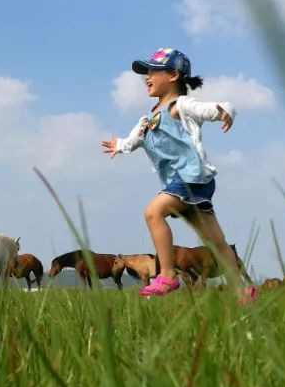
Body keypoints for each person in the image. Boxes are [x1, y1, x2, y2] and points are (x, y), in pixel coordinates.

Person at [101, 47, 256, 302]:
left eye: (153, 72)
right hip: (190, 186)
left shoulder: (180, 105)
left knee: (153, 212)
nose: (147, 78)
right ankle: (242, 292)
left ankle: (168, 275)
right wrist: (119, 145)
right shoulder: (147, 120)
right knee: (217, 242)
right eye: (146, 73)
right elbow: (133, 141)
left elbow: (209, 108)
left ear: (173, 75)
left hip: (189, 179)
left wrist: (225, 110)